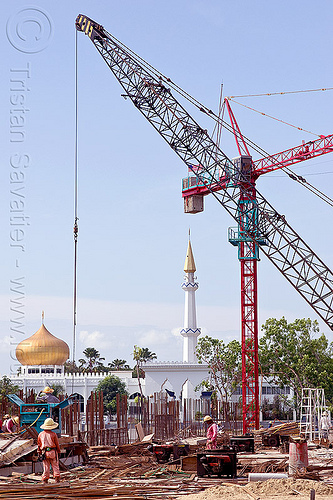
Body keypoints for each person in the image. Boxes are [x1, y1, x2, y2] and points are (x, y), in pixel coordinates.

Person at [37, 417, 61, 484]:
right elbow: (57, 444)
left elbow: (39, 444)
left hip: (44, 452)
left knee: (46, 467)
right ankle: (57, 479)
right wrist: (59, 451)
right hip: (52, 452)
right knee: (55, 466)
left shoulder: (40, 434)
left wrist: (39, 452)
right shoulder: (53, 434)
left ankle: (45, 480)